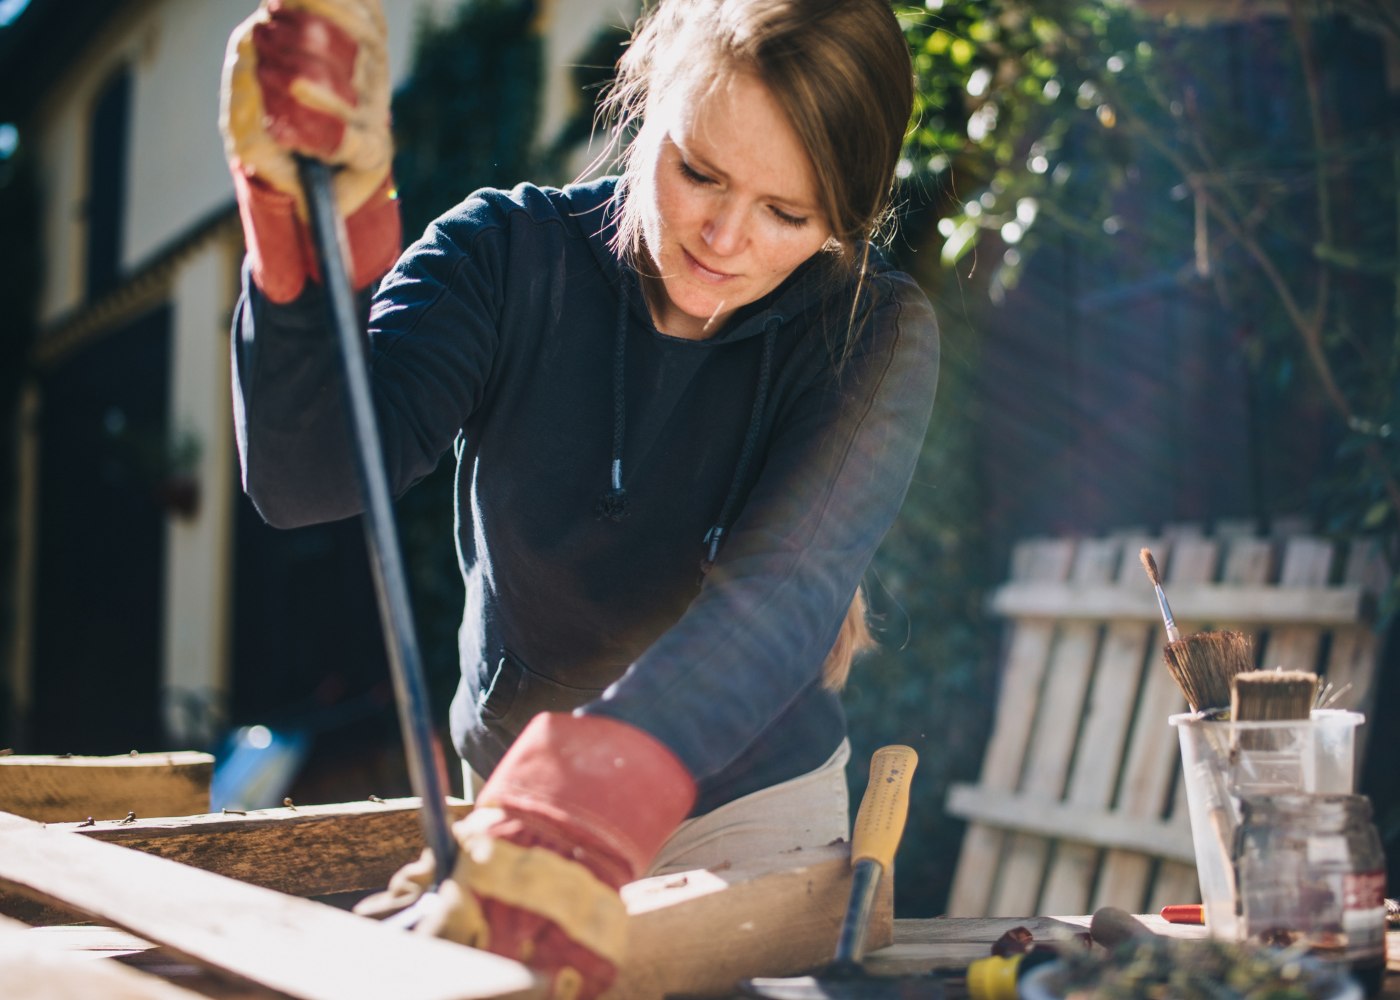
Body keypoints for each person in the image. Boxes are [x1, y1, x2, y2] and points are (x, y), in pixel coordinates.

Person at [219, 0, 938, 995]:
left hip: (748, 816)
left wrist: (586, 792)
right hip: (515, 803)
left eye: (787, 214)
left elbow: (780, 595)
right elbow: (309, 478)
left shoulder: (872, 332)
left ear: (842, 221)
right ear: (645, 102)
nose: (725, 239)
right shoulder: (502, 255)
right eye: (700, 172)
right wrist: (295, 235)